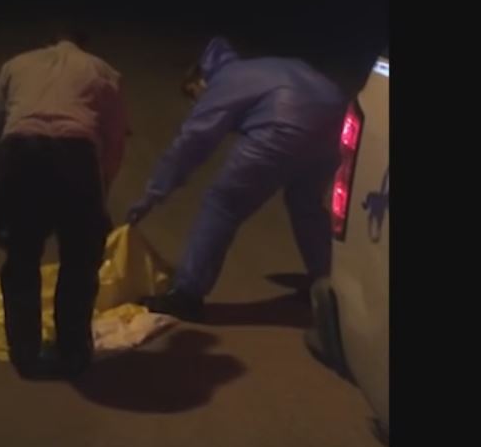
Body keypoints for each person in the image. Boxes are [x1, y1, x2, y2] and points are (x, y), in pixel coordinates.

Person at [126, 36, 350, 322]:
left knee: (222, 203)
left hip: (283, 126)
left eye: (193, 93)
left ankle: (187, 293)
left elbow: (192, 143)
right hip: (336, 119)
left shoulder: (223, 82)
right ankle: (327, 283)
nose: (195, 101)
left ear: (201, 79)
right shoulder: (261, 68)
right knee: (305, 202)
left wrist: (153, 194)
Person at [0, 29, 128, 379]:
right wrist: (99, 197)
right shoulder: (103, 71)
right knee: (80, 259)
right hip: (75, 157)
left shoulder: (16, 64)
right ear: (84, 42)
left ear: (46, 40)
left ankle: (26, 355)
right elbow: (114, 142)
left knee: (22, 256)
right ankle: (73, 352)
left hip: (21, 155)